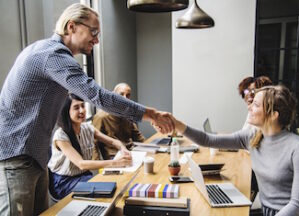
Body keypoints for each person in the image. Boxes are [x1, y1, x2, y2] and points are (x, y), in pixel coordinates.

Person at [0, 3, 173, 215]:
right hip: (17, 156)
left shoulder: (50, 54)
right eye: (93, 31)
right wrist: (151, 114)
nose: (97, 39)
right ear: (71, 27)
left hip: (34, 157)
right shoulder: (53, 55)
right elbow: (98, 96)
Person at [171, 85, 299, 216]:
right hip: (264, 210)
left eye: (255, 105)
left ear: (273, 115)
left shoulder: (296, 148)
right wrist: (176, 124)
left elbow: (296, 205)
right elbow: (207, 140)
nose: (249, 108)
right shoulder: (252, 136)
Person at [48, 94, 131, 199]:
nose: (82, 110)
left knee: (115, 184)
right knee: (109, 191)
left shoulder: (87, 128)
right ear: (66, 112)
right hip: (64, 182)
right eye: (76, 108)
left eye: (83, 106)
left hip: (84, 176)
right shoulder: (60, 136)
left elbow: (114, 142)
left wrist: (123, 149)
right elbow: (81, 164)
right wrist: (116, 163)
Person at [238, 75, 272, 204]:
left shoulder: (263, 120)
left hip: (258, 178)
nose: (249, 96)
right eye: (246, 92)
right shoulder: (251, 113)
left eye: (254, 92)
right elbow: (244, 137)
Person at [93, 83, 145, 159]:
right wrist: (97, 164)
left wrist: (149, 148)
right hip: (114, 156)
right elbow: (93, 142)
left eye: (128, 95)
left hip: (131, 152)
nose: (125, 98)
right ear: (113, 95)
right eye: (121, 94)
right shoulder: (101, 116)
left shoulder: (127, 114)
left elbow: (137, 136)